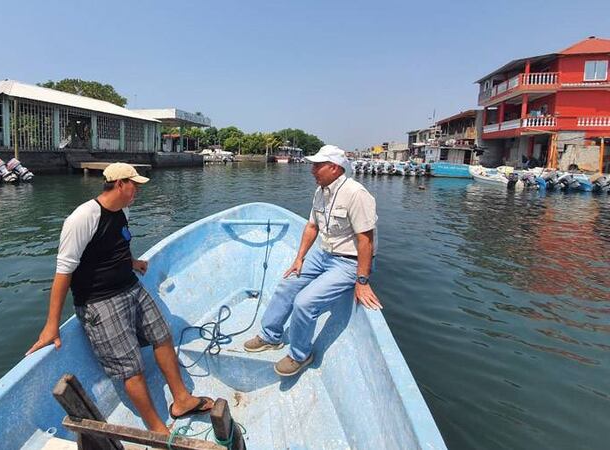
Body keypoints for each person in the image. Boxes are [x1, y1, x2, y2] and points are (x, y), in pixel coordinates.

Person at [26, 163, 213, 433]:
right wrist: (51, 325)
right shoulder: (83, 217)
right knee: (131, 367)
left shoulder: (122, 211)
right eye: (133, 184)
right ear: (119, 184)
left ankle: (182, 400)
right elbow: (63, 272)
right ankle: (157, 430)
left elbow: (116, 246)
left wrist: (133, 262)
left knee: (162, 335)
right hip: (99, 302)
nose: (137, 189)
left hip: (130, 286)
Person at [244, 145, 382, 376]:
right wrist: (299, 259)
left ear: (335, 168)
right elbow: (311, 227)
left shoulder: (356, 194)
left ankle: (300, 354)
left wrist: (362, 280)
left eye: (318, 165)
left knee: (305, 302)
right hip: (322, 254)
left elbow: (365, 240)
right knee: (287, 284)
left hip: (348, 261)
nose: (312, 170)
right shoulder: (321, 191)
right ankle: (271, 336)